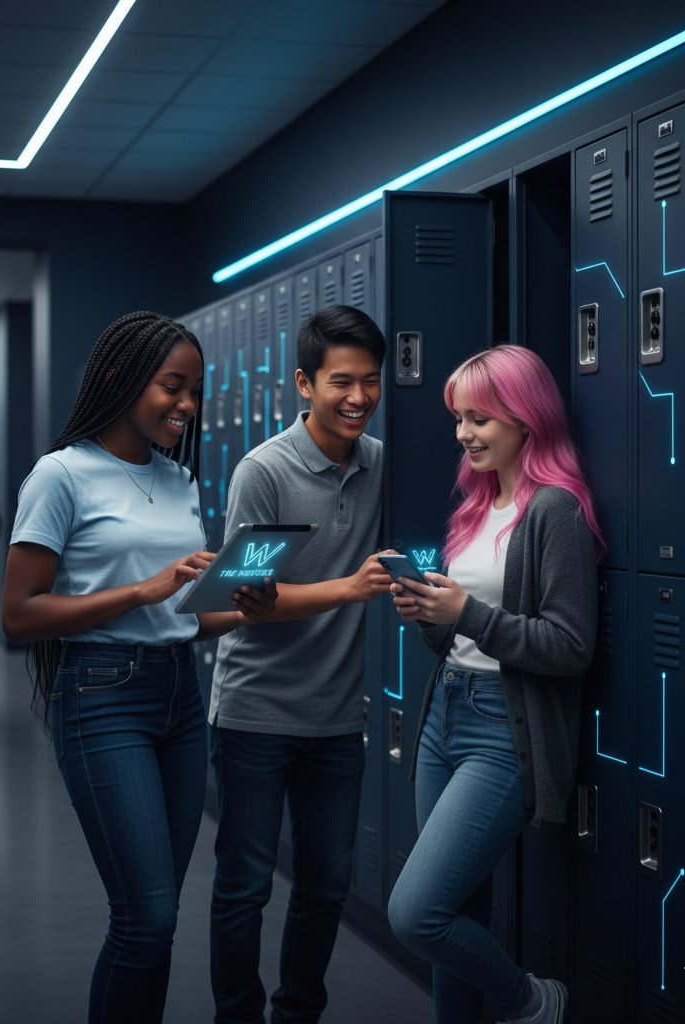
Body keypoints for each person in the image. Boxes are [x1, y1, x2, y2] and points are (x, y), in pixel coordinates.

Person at [1, 311, 278, 1024]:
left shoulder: (179, 480)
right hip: (101, 697)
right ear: (121, 380)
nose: (187, 406)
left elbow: (188, 615)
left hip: (181, 694)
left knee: (157, 921)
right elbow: (19, 615)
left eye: (195, 392)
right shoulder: (60, 476)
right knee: (145, 919)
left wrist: (244, 603)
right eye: (172, 388)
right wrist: (144, 588)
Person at [385, 345, 605, 1024]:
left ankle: (533, 1002)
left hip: (502, 733)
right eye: (459, 419)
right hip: (444, 714)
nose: (465, 434)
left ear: (525, 417)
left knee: (415, 914)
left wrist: (467, 613)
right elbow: (458, 634)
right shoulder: (477, 507)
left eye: (480, 418)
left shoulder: (556, 512)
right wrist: (428, 614)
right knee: (457, 910)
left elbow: (570, 646)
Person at [209, 304, 395, 1024]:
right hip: (257, 713)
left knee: (327, 886)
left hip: (337, 718)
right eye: (341, 381)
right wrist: (348, 587)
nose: (358, 398)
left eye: (371, 382)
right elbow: (240, 600)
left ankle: (296, 1014)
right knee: (245, 886)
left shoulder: (381, 465)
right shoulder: (266, 470)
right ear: (303, 384)